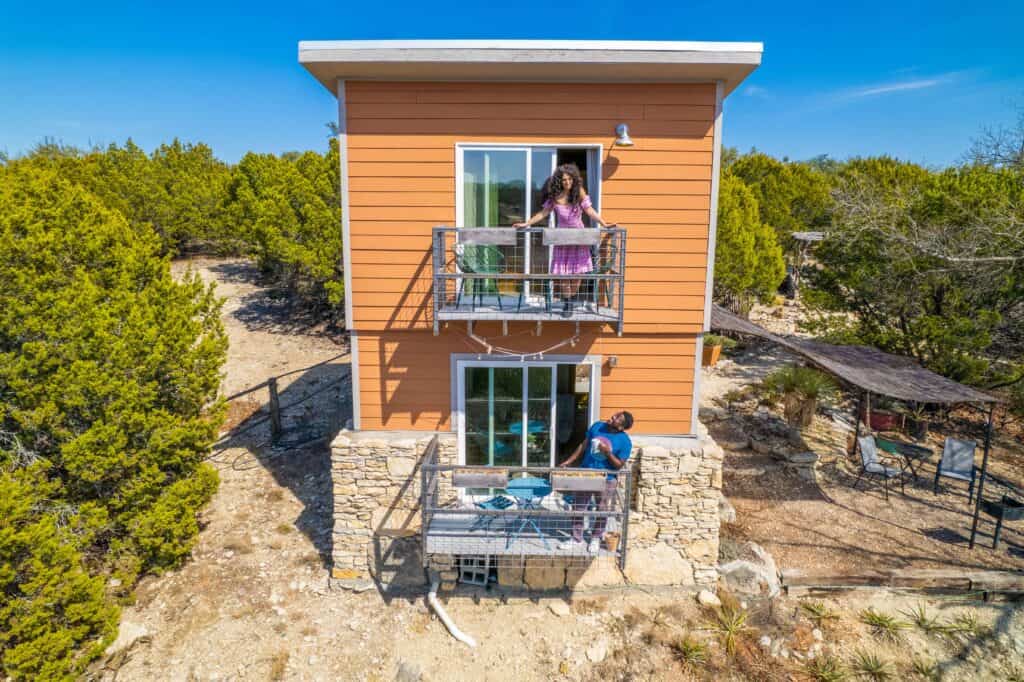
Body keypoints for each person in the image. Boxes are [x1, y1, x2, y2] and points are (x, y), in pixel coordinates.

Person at [513, 164, 615, 317]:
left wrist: (604, 223)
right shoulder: (555, 196)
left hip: (578, 238)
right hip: (562, 238)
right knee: (563, 275)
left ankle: (572, 301)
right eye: (563, 180)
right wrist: (526, 223)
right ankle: (567, 303)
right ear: (559, 181)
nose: (567, 182)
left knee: (577, 274)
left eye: (569, 179)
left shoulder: (579, 193)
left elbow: (590, 210)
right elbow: (543, 213)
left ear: (573, 180)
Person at [557, 411, 634, 553]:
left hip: (607, 479)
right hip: (585, 474)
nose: (613, 417)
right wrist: (569, 461)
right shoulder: (597, 426)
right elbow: (583, 445)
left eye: (618, 418)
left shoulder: (625, 442)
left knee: (602, 510)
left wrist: (607, 452)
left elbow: (618, 465)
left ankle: (595, 538)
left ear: (621, 427)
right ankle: (576, 539)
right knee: (578, 507)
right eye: (615, 414)